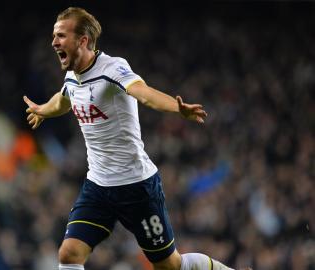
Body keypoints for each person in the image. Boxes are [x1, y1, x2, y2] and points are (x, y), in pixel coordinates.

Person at [24, 7, 250, 270]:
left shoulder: (113, 68)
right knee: (69, 254)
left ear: (82, 40)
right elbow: (64, 99)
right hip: (98, 186)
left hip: (137, 187)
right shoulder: (72, 76)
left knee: (170, 266)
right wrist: (43, 110)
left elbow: (143, 93)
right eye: (54, 36)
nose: (54, 42)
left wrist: (177, 108)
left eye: (61, 36)